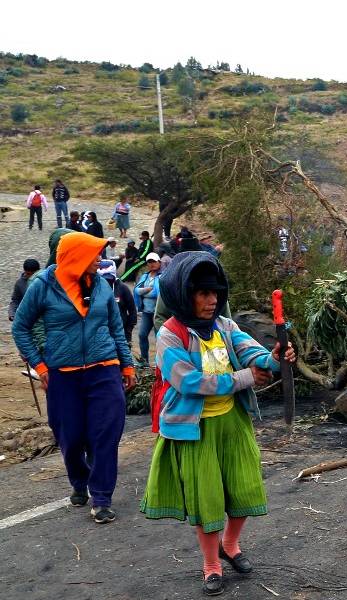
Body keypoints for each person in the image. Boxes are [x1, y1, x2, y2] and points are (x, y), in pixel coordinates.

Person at [139, 251, 294, 597]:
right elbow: (189, 382)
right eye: (203, 294)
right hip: (195, 430)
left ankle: (230, 544)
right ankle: (211, 564)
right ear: (185, 295)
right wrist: (244, 378)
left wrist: (274, 357)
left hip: (232, 422)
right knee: (207, 499)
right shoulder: (170, 335)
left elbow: (252, 352)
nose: (212, 301)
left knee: (244, 487)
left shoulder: (225, 326)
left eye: (216, 294)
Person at [12, 232, 136, 523]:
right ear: (76, 257)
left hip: (104, 369)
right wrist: (41, 366)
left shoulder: (102, 285)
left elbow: (116, 328)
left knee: (106, 433)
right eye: (94, 255)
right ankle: (80, 481)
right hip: (63, 375)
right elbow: (20, 327)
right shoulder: (43, 285)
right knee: (70, 436)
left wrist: (127, 365)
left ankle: (101, 498)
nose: (99, 260)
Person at [98, 260, 137, 348]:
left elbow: (132, 311)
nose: (106, 281)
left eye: (109, 279)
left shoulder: (123, 288)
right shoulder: (96, 289)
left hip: (121, 332)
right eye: (104, 279)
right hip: (102, 333)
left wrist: (128, 331)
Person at [135, 253, 162, 366]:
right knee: (142, 335)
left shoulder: (162, 276)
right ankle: (144, 361)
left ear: (159, 262)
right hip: (146, 311)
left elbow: (156, 293)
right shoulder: (145, 276)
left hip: (158, 313)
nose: (152, 264)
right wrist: (147, 290)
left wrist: (143, 291)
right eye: (149, 262)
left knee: (160, 338)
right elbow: (136, 291)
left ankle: (160, 363)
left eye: (154, 261)